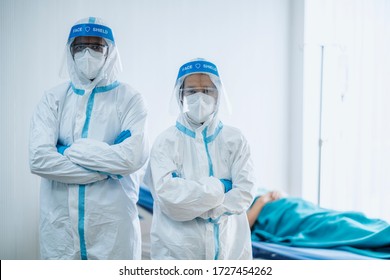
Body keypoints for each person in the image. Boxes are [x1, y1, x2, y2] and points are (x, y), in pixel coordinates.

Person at [29, 17, 148, 260]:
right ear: (70, 51)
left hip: (114, 233)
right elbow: (39, 159)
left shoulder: (130, 100)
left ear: (110, 52)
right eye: (80, 47)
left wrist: (65, 151)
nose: (87, 54)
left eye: (96, 47)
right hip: (60, 230)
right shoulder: (53, 99)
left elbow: (131, 159)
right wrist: (108, 168)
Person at [143, 58, 256, 260]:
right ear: (181, 96)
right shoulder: (165, 143)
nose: (200, 98)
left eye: (207, 91)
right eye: (192, 91)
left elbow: (245, 193)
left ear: (218, 95)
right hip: (176, 254)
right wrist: (220, 189)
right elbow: (168, 198)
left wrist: (195, 205)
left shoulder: (235, 140)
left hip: (230, 252)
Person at [247, 191, 390, 259]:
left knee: (344, 217)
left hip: (296, 206)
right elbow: (243, 227)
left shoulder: (252, 189)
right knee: (335, 225)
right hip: (284, 219)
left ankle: (381, 232)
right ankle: (382, 237)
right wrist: (262, 200)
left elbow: (281, 195)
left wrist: (279, 194)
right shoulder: (235, 209)